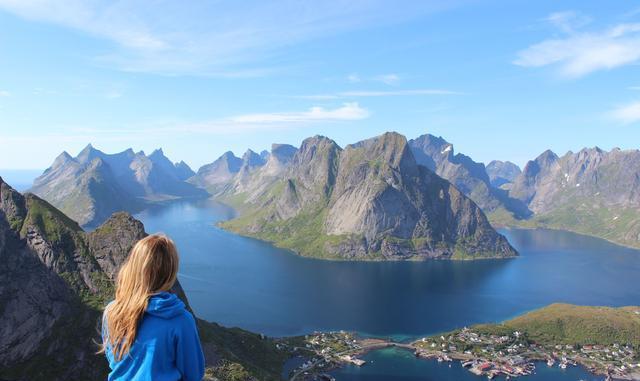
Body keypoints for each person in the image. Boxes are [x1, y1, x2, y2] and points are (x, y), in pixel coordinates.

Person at [100, 234, 205, 381]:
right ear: (170, 272)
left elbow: (113, 360)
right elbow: (193, 374)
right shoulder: (180, 321)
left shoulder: (112, 311)